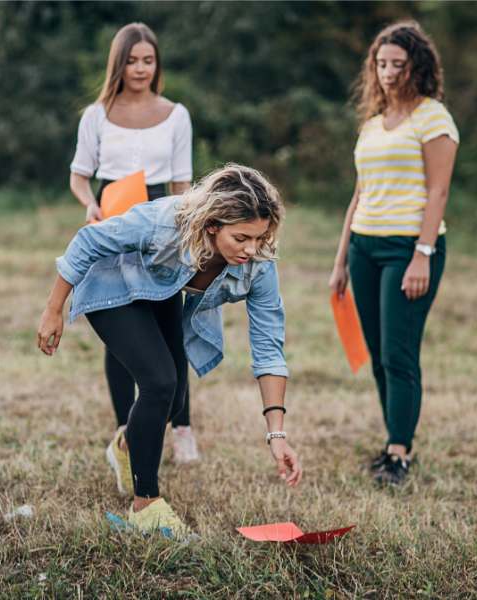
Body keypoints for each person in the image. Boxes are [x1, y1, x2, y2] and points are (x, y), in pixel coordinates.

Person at [37, 164, 302, 540]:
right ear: (212, 226)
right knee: (159, 383)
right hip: (110, 280)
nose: (251, 249)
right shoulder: (165, 221)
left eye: (260, 238)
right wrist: (53, 309)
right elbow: (89, 240)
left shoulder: (259, 264)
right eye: (241, 238)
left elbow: (269, 345)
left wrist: (277, 434)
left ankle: (127, 445)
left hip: (158, 289)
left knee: (174, 402)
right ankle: (145, 507)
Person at [328, 21, 458, 486]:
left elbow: (439, 191)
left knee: (400, 353)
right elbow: (359, 194)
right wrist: (341, 261)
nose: (387, 73)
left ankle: (400, 454)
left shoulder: (433, 118)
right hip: (364, 247)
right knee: (379, 355)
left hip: (408, 248)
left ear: (416, 66)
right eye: (381, 64)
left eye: (397, 64)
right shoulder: (371, 124)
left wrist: (423, 253)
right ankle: (392, 443)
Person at [69, 23, 200, 469]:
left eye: (148, 60)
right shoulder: (96, 115)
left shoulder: (176, 115)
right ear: (118, 64)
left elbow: (182, 183)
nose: (140, 69)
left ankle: (181, 426)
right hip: (112, 218)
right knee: (120, 325)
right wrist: (90, 205)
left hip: (163, 219)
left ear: (157, 64)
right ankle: (125, 432)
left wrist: (188, 231)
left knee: (169, 325)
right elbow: (79, 176)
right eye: (132, 61)